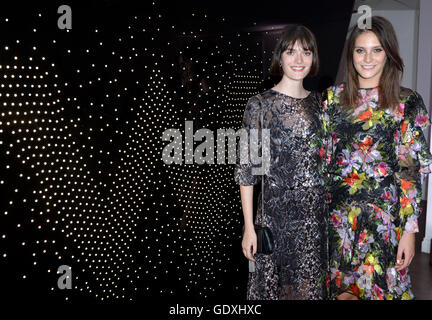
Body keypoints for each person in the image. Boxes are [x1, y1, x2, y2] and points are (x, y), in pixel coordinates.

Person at [319, 16, 432, 300]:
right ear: (351, 55)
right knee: (342, 293)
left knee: (383, 293)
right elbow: (321, 163)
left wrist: (409, 232)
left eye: (377, 49)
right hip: (339, 220)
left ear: (389, 54)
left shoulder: (407, 102)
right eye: (360, 50)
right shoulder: (331, 100)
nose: (367, 58)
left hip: (385, 222)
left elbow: (409, 172)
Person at [234, 25, 328, 300]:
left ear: (313, 58)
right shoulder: (259, 105)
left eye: (306, 52)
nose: (298, 60)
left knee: (309, 292)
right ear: (280, 57)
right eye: (291, 52)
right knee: (275, 291)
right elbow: (246, 170)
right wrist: (249, 228)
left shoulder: (320, 104)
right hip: (275, 218)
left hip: (313, 221)